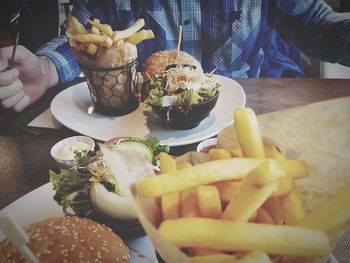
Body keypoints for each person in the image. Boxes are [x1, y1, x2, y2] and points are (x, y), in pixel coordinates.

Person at [0, 0, 349, 112]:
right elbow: (84, 36)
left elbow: (317, 26)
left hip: (241, 118)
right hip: (141, 126)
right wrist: (45, 69)